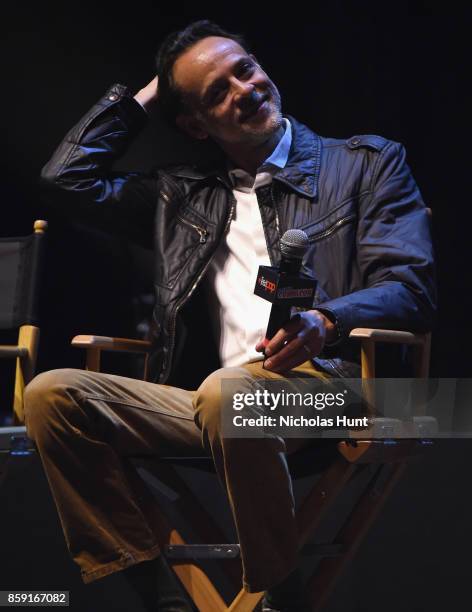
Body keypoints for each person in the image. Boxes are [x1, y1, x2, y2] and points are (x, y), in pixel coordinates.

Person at [23, 19, 436, 612]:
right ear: (193, 123)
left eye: (244, 69)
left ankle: (272, 590)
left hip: (341, 394)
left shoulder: (366, 165)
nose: (243, 90)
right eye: (216, 92)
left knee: (231, 393)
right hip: (211, 405)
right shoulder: (180, 195)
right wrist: (147, 97)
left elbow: (410, 287)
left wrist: (329, 321)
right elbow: (65, 180)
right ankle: (161, 592)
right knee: (50, 394)